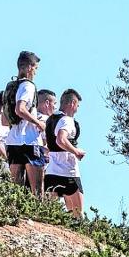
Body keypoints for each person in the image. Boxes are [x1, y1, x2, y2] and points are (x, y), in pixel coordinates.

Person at [3, 52, 49, 194]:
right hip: (30, 142)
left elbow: (5, 120)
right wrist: (38, 123)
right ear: (29, 67)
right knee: (37, 191)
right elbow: (20, 109)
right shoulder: (28, 86)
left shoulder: (10, 87)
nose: (35, 72)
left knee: (15, 191)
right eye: (35, 68)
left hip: (12, 141)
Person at [44, 89, 85, 217]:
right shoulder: (67, 120)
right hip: (68, 172)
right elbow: (61, 140)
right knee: (77, 215)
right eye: (77, 105)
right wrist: (76, 151)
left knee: (49, 214)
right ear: (72, 103)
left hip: (51, 171)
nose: (77, 109)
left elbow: (49, 144)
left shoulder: (50, 120)